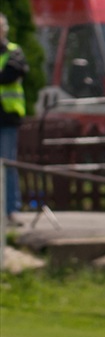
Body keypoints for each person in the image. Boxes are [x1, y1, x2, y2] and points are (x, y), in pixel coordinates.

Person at [0, 13, 29, 222]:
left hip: (7, 118)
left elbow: (12, 73)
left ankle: (11, 209)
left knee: (7, 163)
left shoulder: (14, 51)